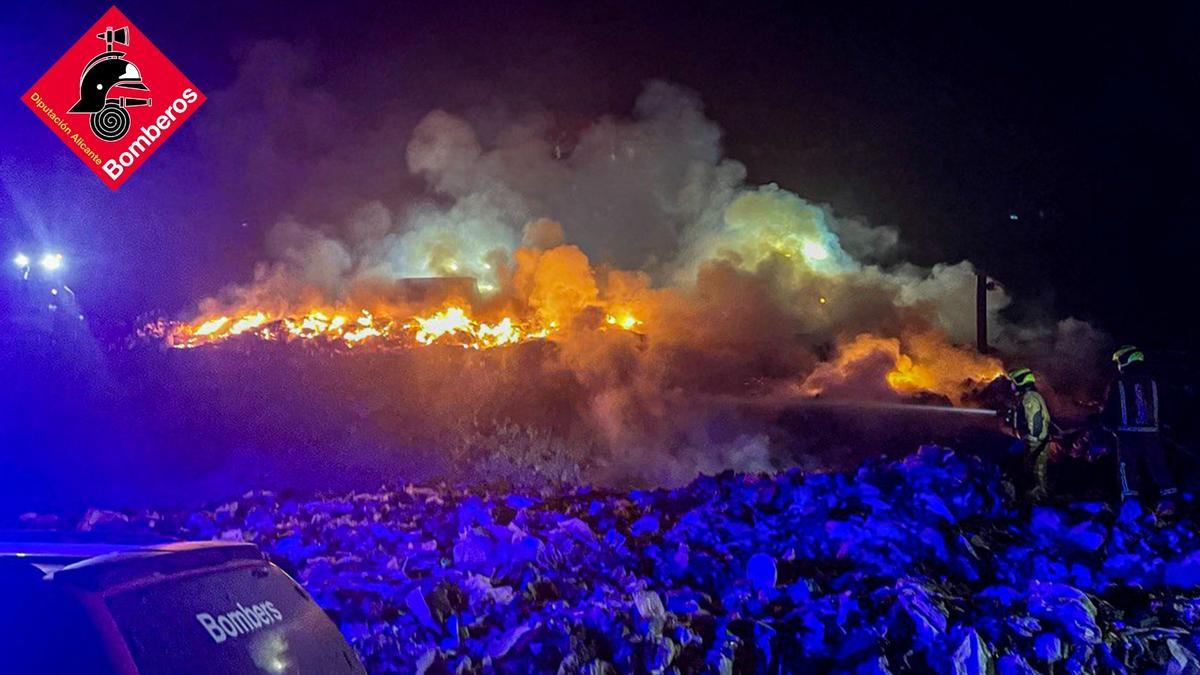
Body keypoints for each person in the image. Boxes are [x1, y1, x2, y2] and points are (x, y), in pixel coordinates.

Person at [1103, 345, 1176, 513]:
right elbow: (1166, 406)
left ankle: (1130, 502)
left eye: (1120, 361)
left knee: (1126, 467)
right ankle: (1169, 498)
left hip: (1126, 434)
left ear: (1126, 360)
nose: (1119, 365)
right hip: (1152, 433)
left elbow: (1111, 408)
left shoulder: (1119, 382)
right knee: (1158, 465)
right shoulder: (1154, 381)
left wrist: (1107, 424)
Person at [1005, 367, 1052, 500]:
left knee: (1037, 471)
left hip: (1035, 441)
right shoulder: (1030, 396)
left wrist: (1028, 438)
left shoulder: (1029, 398)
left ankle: (1039, 498)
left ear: (1020, 382)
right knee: (1035, 469)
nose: (1012, 386)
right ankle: (1035, 494)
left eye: (1013, 383)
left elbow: (1035, 423)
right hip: (1035, 440)